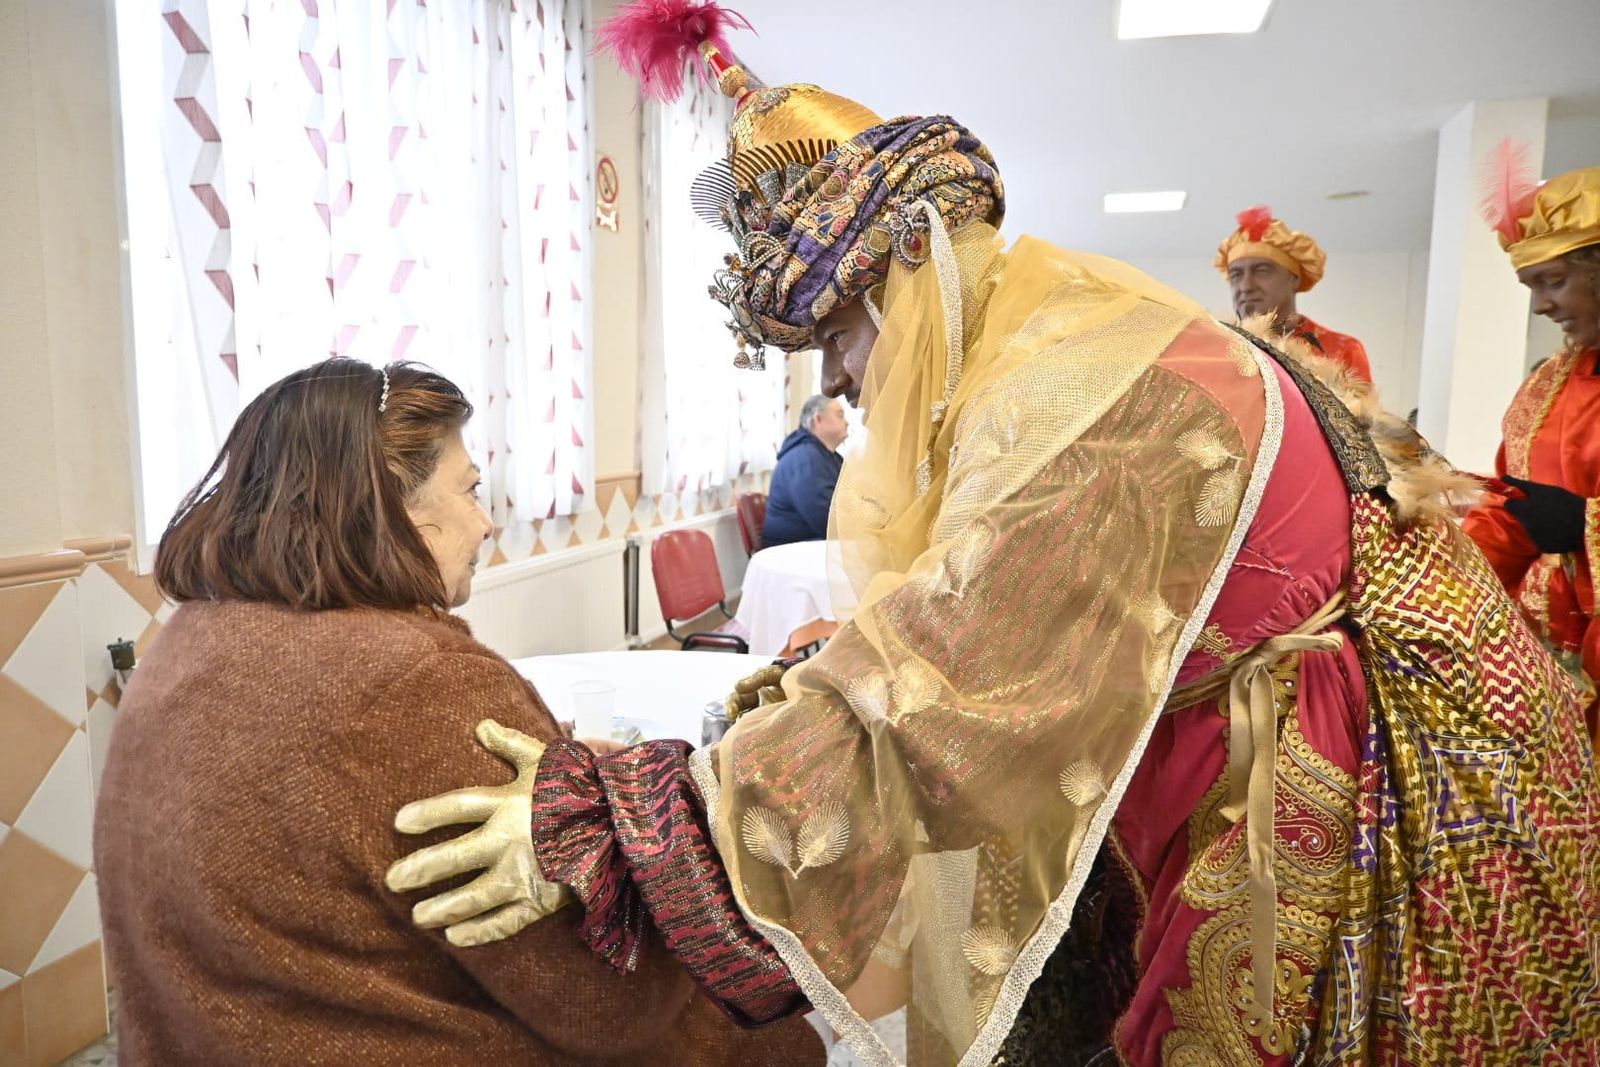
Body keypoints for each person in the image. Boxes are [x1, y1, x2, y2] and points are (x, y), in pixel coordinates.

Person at [383, 5, 1600, 1064]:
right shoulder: (1053, 333)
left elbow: (937, 691)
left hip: (1360, 773)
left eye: (841, 337)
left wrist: (618, 826)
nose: (844, 378)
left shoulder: (1072, 387)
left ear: (907, 265)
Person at [92, 360, 823, 1065]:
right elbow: (606, 1001)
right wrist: (643, 818)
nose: (484, 523)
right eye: (470, 491)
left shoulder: (182, 642)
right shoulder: (417, 684)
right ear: (385, 505)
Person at [1462, 163, 1600, 729]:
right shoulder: (1548, 383)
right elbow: (1510, 509)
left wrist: (1587, 523)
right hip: (1545, 663)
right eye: (1532, 287)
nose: (1542, 305)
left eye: (1554, 281)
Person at [1217, 205, 1374, 381]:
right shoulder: (1218, 350)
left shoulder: (1342, 351)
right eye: (1236, 275)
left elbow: (1359, 409)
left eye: (1262, 271)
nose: (1245, 286)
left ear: (1295, 278)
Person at [763, 394, 848, 547]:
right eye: (840, 415)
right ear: (818, 420)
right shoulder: (804, 459)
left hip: (814, 543)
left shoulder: (830, 457)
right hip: (790, 553)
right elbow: (827, 520)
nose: (847, 422)